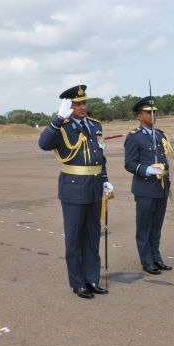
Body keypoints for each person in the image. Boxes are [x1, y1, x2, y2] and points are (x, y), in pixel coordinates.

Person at [38, 85, 114, 299]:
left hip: (95, 186)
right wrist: (58, 120)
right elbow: (43, 144)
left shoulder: (95, 125)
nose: (82, 107)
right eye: (77, 104)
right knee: (74, 240)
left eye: (84, 103)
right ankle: (78, 283)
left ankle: (92, 279)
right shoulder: (62, 127)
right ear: (68, 106)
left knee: (92, 236)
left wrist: (105, 180)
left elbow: (100, 156)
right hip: (73, 188)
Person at [124, 96, 174, 275]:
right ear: (139, 116)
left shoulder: (159, 134)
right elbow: (129, 163)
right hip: (145, 188)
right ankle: (147, 261)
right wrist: (148, 170)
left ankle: (156, 258)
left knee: (156, 226)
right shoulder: (134, 137)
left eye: (154, 112)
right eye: (148, 112)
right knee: (144, 227)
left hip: (161, 187)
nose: (153, 115)